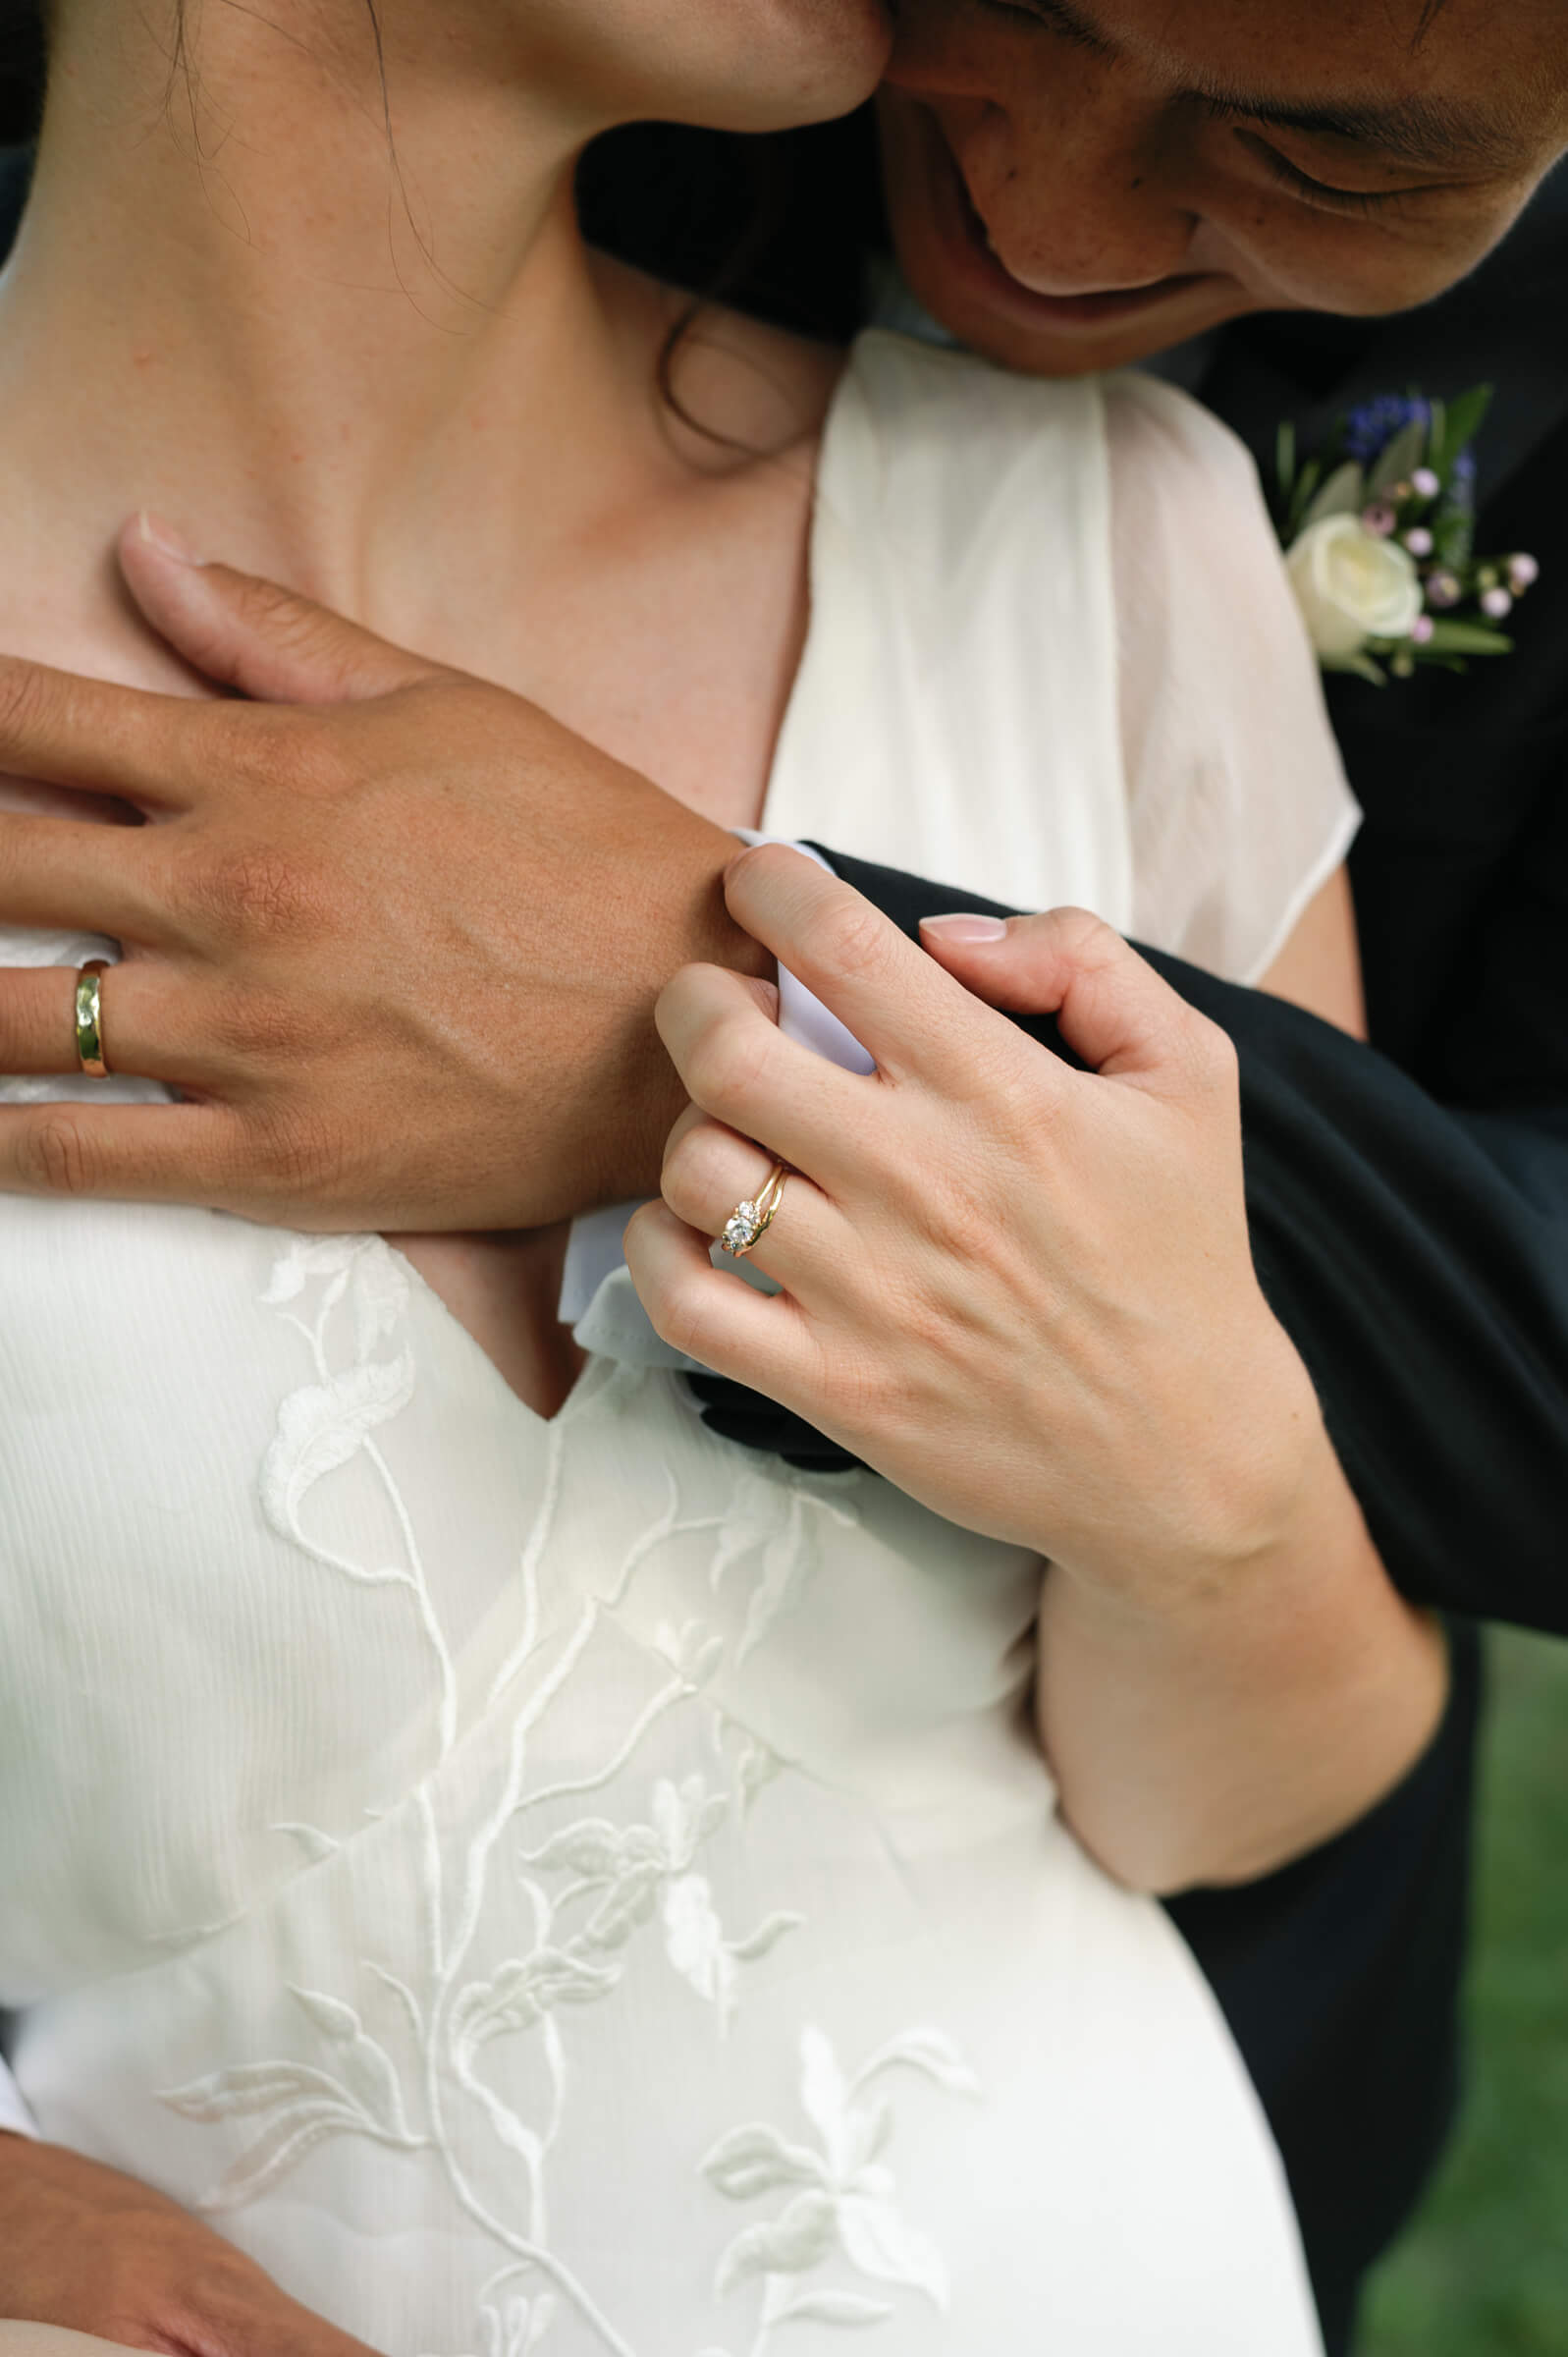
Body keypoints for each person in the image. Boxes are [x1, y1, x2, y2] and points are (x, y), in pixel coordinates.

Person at [0, 0, 1559, 2345]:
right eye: (1024, 11)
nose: (1032, 219)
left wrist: (769, 1042)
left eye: (1317, 153)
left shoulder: (1111, 537)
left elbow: (1253, 1767)